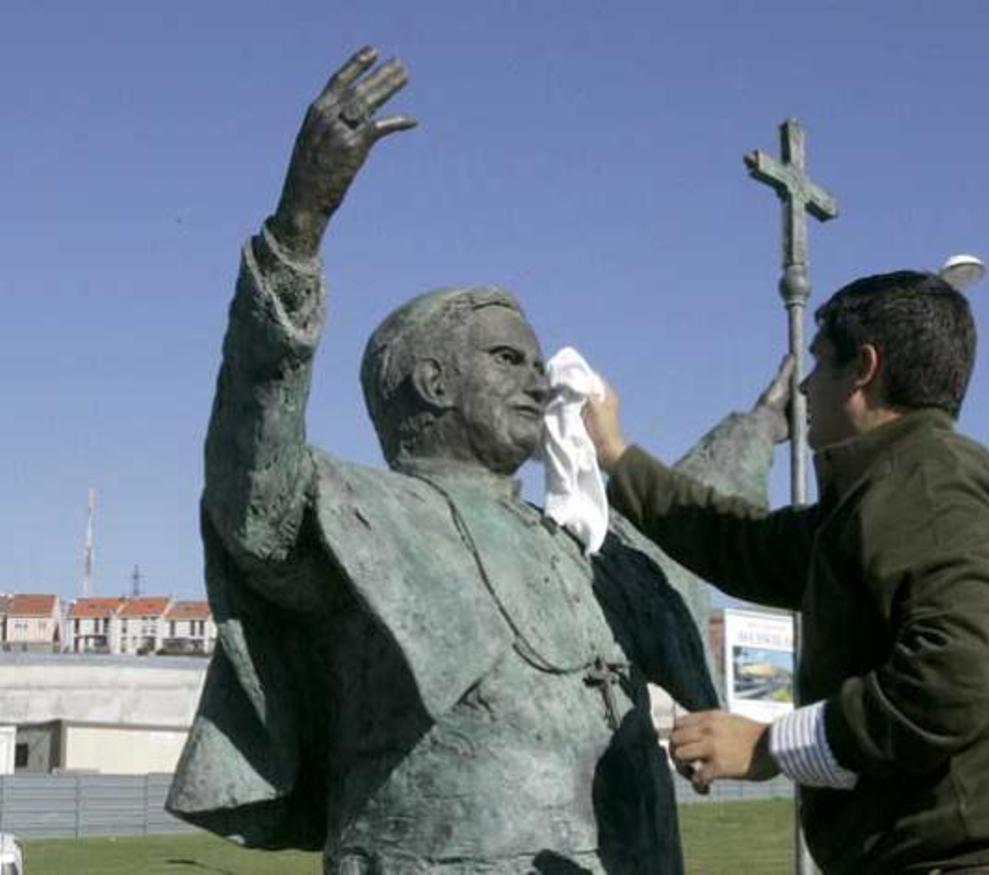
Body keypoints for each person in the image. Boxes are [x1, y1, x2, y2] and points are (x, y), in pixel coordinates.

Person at [166, 47, 787, 874]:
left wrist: (763, 424)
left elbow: (686, 521)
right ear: (430, 381)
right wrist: (298, 230)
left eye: (536, 363)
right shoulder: (363, 516)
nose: (540, 379)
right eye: (507, 359)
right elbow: (253, 482)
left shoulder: (579, 540)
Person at [585, 271, 989, 873]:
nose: (806, 388)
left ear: (863, 368)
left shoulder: (930, 479)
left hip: (982, 858)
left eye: (819, 366)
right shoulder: (873, 499)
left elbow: (955, 685)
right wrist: (615, 455)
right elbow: (738, 541)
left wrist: (768, 746)